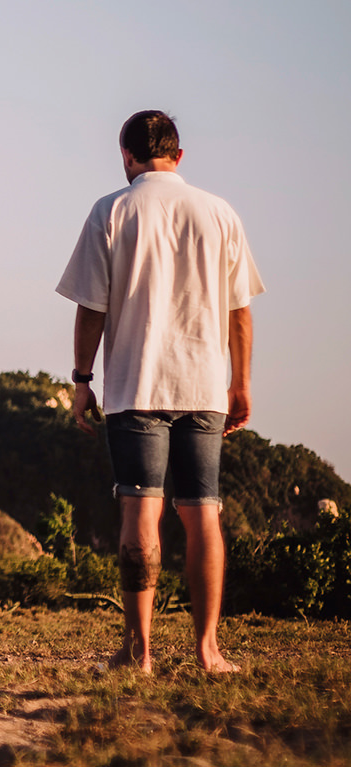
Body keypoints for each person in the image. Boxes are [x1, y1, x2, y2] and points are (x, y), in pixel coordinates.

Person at [57, 111, 261, 675]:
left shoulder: (111, 211)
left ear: (126, 156)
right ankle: (209, 651)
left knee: (140, 512)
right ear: (179, 155)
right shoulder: (219, 212)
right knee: (204, 514)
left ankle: (138, 652)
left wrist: (81, 381)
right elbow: (240, 312)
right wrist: (240, 385)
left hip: (136, 387)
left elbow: (91, 309)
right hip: (204, 387)